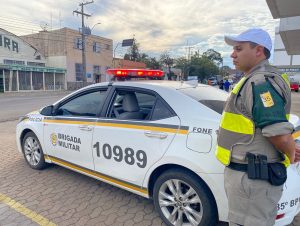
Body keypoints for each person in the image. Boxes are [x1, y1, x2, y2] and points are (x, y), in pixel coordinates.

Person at [215, 28, 300, 226]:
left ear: (258, 50)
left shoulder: (261, 83)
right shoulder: (254, 79)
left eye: (238, 48)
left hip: (252, 181)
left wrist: (290, 152)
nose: (232, 54)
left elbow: (278, 133)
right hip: (249, 178)